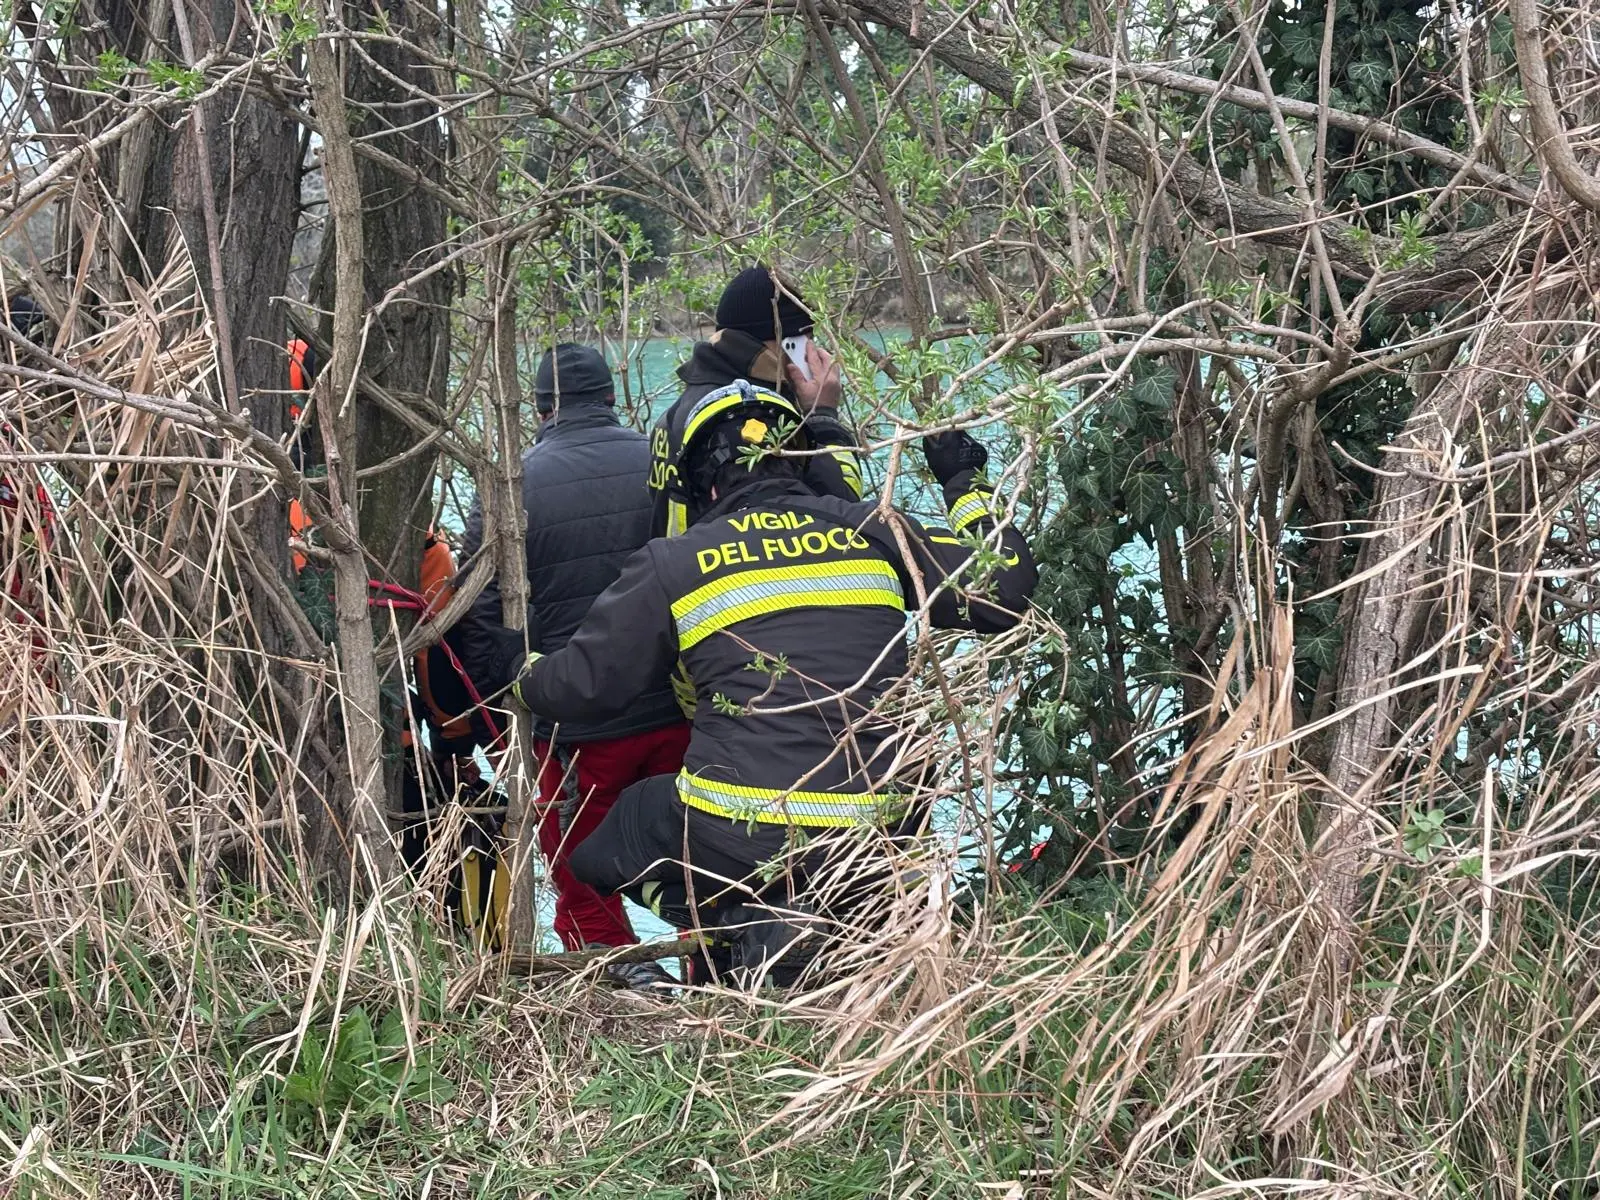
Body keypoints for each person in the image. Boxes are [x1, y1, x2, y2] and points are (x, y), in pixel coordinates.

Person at [505, 345, 1038, 986]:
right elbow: (1001, 595)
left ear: (700, 482)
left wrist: (524, 668)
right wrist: (965, 484)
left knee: (603, 847)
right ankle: (806, 932)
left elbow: (584, 688)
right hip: (880, 833)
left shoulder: (676, 561)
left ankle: (729, 925)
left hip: (743, 831)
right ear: (800, 458)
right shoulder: (872, 528)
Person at [455, 343, 689, 984]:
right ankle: (712, 959)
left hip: (574, 723)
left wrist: (499, 721)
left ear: (541, 407)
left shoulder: (514, 482)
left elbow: (479, 608)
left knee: (579, 859)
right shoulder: (662, 462)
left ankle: (615, 969)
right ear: (610, 397)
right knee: (694, 841)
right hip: (678, 707)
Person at [648, 266, 863, 541]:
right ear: (790, 344)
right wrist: (822, 413)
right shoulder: (751, 420)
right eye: (808, 339)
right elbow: (842, 508)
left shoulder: (677, 412)